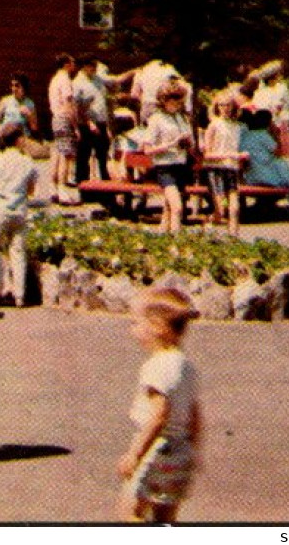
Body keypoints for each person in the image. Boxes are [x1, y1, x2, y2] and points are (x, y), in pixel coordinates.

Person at [116, 287, 202, 524]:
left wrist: (135, 454)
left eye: (135, 323)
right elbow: (194, 413)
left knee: (130, 512)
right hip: (181, 452)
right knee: (165, 516)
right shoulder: (187, 366)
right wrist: (195, 449)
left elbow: (158, 416)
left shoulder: (155, 367)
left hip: (156, 450)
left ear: (156, 327)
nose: (132, 330)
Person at [0, 123, 37, 307]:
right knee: (18, 251)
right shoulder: (27, 162)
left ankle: (0, 286)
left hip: (1, 208)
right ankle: (20, 295)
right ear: (19, 140)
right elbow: (31, 190)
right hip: (20, 209)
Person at [142, 86, 195, 233]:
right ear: (164, 101)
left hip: (181, 165)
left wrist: (189, 144)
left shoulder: (182, 118)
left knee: (168, 207)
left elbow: (190, 142)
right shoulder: (156, 119)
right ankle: (177, 243)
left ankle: (162, 237)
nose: (177, 106)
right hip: (165, 166)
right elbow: (147, 149)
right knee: (177, 206)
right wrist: (171, 144)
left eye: (179, 103)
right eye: (174, 103)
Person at [200, 94, 246, 234]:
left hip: (231, 169)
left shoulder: (238, 126)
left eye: (228, 105)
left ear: (233, 107)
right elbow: (207, 154)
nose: (225, 108)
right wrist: (230, 155)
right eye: (221, 105)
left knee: (235, 208)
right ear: (217, 107)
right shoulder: (214, 125)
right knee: (222, 207)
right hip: (216, 169)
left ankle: (234, 237)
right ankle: (210, 221)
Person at [72, 57, 112, 185]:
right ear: (84, 67)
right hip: (86, 123)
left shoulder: (98, 80)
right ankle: (83, 186)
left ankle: (106, 184)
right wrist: (89, 122)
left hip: (101, 121)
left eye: (95, 66)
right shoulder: (78, 83)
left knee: (102, 154)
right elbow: (77, 107)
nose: (94, 69)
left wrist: (108, 125)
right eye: (92, 66)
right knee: (84, 156)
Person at [48, 54, 79, 199]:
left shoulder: (54, 80)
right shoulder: (65, 80)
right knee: (66, 154)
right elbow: (68, 104)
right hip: (64, 118)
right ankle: (62, 188)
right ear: (66, 64)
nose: (74, 65)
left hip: (55, 118)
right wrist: (75, 126)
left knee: (58, 152)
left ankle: (53, 186)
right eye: (72, 62)